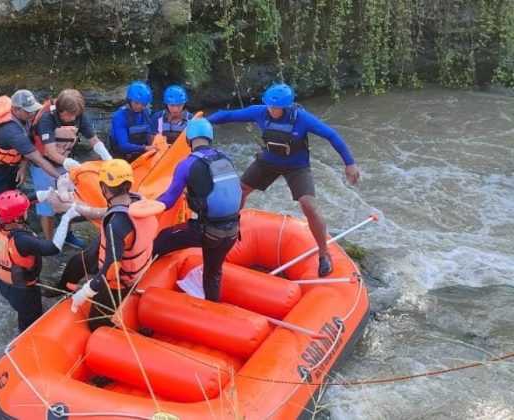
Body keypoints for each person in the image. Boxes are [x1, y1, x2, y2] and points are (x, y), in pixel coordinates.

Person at [207, 83, 360, 276]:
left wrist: (350, 163)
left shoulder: (302, 118)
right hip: (268, 161)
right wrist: (203, 123)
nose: (272, 110)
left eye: (276, 107)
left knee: (309, 204)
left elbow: (331, 135)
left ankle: (324, 253)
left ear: (286, 106)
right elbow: (228, 116)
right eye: (269, 105)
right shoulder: (260, 112)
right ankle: (230, 229)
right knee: (241, 190)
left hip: (297, 166)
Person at [67, 159, 164, 330]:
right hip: (138, 269)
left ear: (104, 188)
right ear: (128, 184)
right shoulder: (139, 202)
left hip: (119, 282)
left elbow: (111, 269)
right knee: (85, 257)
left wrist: (88, 290)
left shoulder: (116, 224)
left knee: (96, 323)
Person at [153, 118, 241, 302]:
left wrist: (146, 204)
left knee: (162, 239)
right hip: (232, 232)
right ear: (210, 137)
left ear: (189, 140)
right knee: (212, 274)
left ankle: (139, 288)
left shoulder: (186, 164)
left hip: (207, 232)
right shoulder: (226, 158)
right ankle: (213, 308)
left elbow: (168, 200)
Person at [29, 89, 112, 247]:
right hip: (44, 164)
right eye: (70, 115)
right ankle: (49, 242)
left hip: (65, 162)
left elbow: (93, 139)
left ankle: (68, 234)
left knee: (70, 199)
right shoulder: (46, 119)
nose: (73, 119)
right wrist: (70, 164)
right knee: (47, 205)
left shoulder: (78, 114)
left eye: (76, 115)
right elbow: (51, 152)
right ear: (62, 111)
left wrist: (108, 159)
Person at [0, 189, 78, 332]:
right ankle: (25, 341)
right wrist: (66, 219)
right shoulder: (22, 240)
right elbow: (53, 248)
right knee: (30, 319)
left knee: (23, 310)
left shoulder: (3, 222)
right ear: (19, 218)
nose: (27, 211)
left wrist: (49, 194)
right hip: (23, 292)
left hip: (4, 282)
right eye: (25, 211)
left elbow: (26, 200)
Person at [0, 89, 63, 201]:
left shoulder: (25, 117)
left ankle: (19, 214)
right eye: (28, 111)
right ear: (15, 109)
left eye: (33, 109)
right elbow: (38, 159)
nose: (32, 113)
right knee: (3, 202)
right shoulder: (11, 131)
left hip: (12, 166)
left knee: (15, 196)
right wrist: (61, 177)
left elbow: (30, 139)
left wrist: (23, 165)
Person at [109, 81, 155, 162]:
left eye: (143, 104)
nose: (139, 106)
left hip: (140, 154)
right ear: (129, 100)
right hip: (121, 157)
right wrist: (145, 148)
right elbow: (123, 146)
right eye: (136, 103)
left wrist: (154, 145)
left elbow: (150, 133)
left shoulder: (145, 112)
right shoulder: (120, 116)